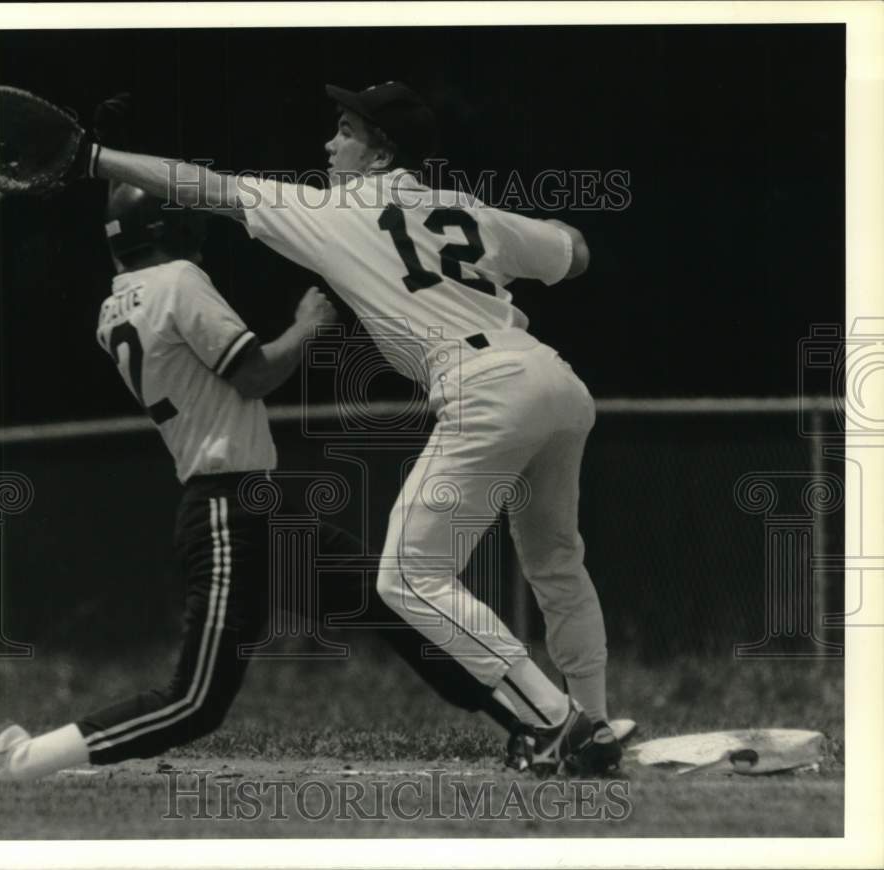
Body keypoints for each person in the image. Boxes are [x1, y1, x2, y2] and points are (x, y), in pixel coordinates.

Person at [85, 80, 625, 776]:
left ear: (379, 153)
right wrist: (499, 232)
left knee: (405, 578)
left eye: (344, 130)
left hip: (485, 388)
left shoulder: (333, 213)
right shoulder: (463, 209)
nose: (328, 143)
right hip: (556, 379)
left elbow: (200, 186)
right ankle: (597, 723)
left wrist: (97, 157)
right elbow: (574, 252)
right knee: (557, 561)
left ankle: (559, 723)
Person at [0, 182, 519, 783]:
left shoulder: (113, 306)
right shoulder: (179, 279)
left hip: (250, 502)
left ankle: (534, 726)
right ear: (168, 231)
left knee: (391, 603)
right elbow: (254, 375)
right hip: (226, 509)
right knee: (194, 702)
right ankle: (23, 758)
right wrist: (306, 325)